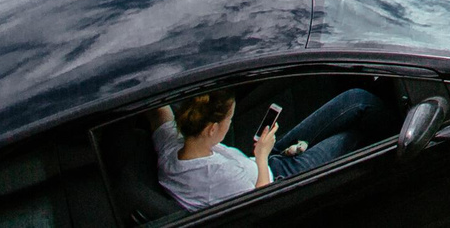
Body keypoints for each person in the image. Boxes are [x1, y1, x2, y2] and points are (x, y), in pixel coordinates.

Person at [150, 87, 385, 210]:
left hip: (267, 159)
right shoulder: (216, 177)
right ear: (212, 129)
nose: (230, 123)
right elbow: (264, 202)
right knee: (354, 135)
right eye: (229, 120)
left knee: (355, 101)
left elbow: (159, 113)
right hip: (279, 177)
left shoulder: (173, 147)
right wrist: (262, 156)